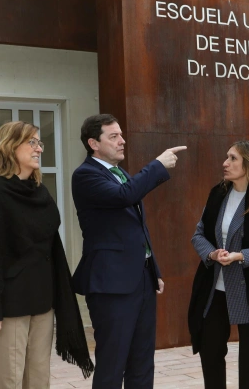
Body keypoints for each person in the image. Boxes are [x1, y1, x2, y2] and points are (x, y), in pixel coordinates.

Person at [0, 121, 93, 388]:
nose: (39, 148)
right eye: (32, 142)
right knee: (10, 382)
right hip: (9, 308)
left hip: (43, 303)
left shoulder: (40, 192)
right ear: (8, 146)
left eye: (40, 143)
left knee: (39, 380)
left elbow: (51, 249)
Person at [71, 114, 186, 389]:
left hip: (141, 280)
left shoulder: (120, 173)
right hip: (111, 284)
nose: (122, 141)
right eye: (113, 137)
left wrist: (153, 269)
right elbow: (125, 197)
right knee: (113, 364)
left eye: (121, 135)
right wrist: (157, 165)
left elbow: (136, 229)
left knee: (142, 362)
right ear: (93, 143)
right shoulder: (85, 175)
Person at [187, 141, 249, 389]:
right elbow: (198, 235)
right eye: (226, 157)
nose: (225, 163)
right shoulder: (218, 194)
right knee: (210, 353)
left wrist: (240, 256)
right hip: (215, 290)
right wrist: (212, 254)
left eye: (232, 158)